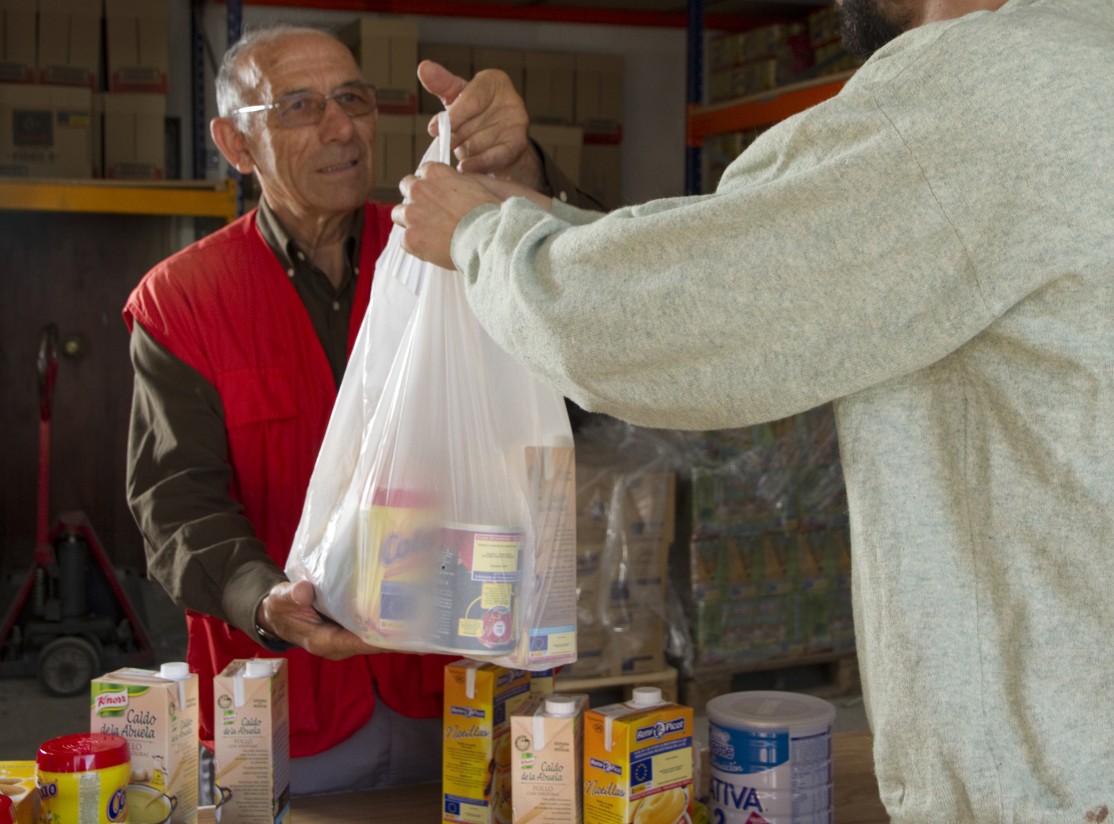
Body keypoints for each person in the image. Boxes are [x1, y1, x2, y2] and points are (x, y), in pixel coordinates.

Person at [392, 0, 1114, 820]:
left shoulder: (976, 86)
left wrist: (481, 237)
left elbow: (669, 318)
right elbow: (737, 253)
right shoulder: (1086, 60)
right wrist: (522, 209)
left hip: (1060, 779)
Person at [122, 23, 599, 795]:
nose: (341, 127)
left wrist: (525, 169)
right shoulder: (184, 301)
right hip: (287, 710)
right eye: (300, 106)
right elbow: (175, 506)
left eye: (354, 99)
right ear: (235, 145)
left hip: (449, 688)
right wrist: (263, 601)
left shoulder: (440, 254)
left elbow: (577, 290)